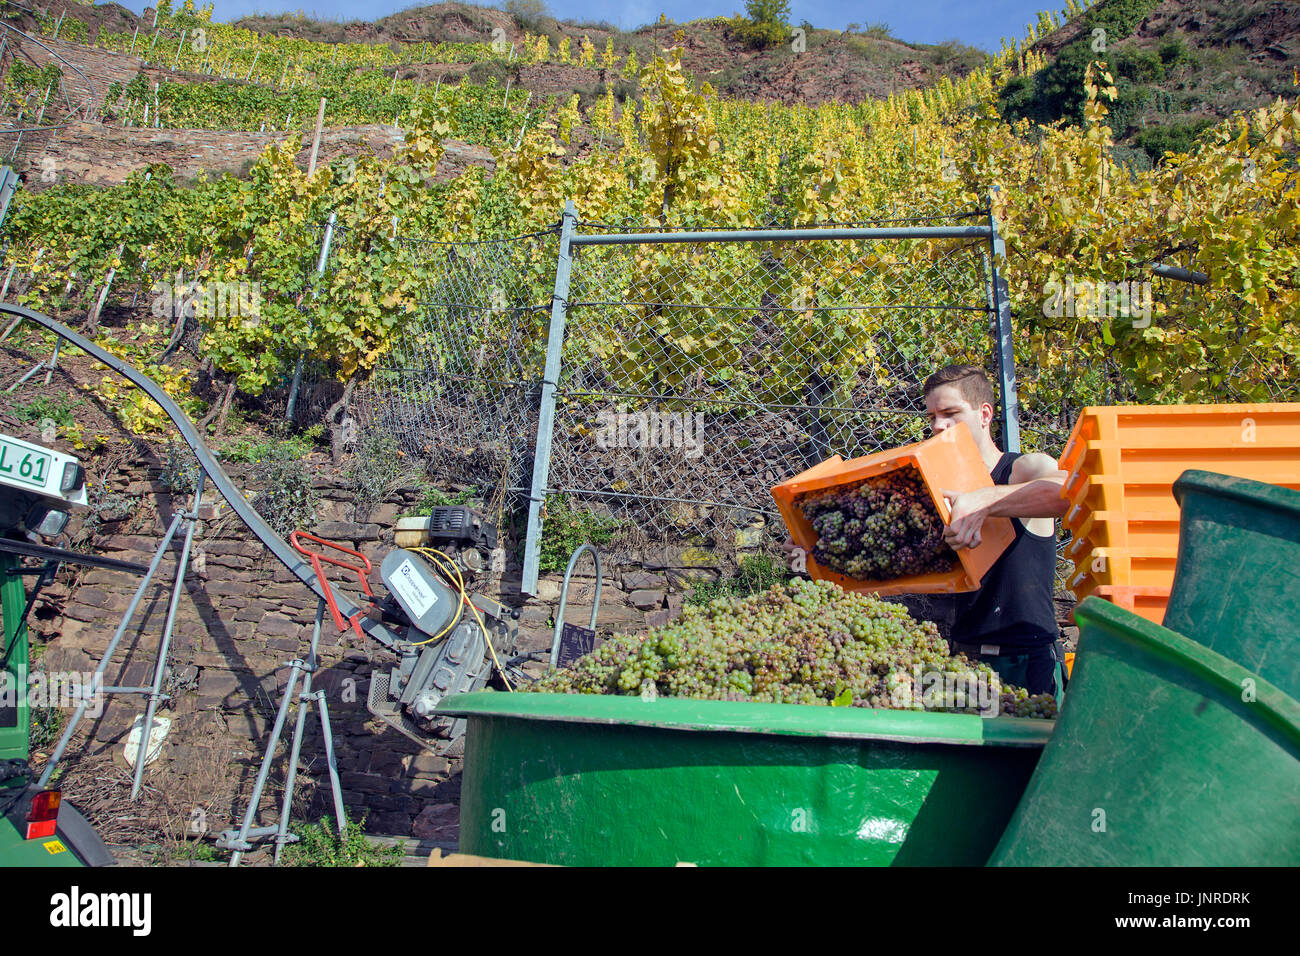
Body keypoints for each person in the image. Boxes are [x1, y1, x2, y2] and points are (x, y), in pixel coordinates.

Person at [923, 364, 1069, 698]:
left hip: (1027, 661)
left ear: (984, 414)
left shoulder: (1021, 470)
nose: (938, 425)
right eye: (932, 417)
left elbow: (1065, 492)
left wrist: (986, 499)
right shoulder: (939, 489)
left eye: (950, 413)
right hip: (963, 660)